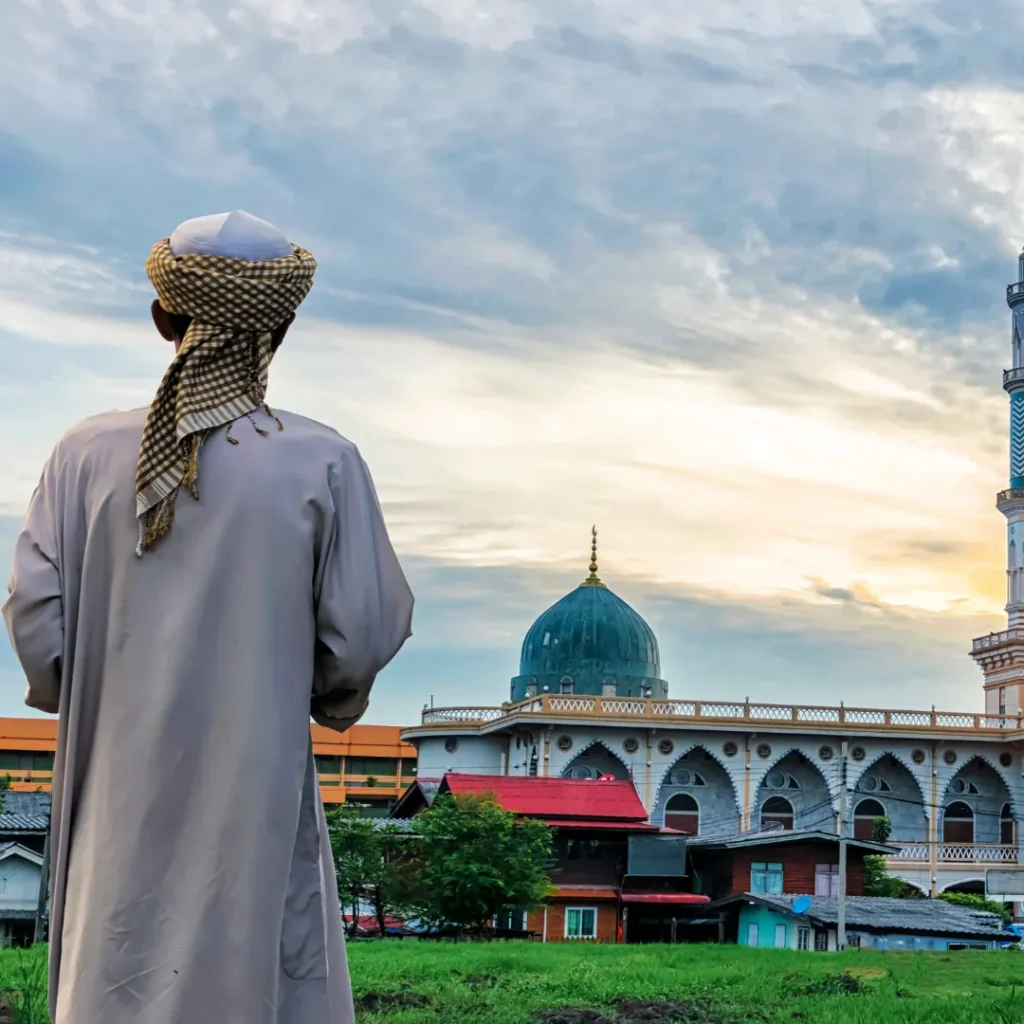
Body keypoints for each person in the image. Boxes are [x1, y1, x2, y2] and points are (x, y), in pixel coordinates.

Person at [2, 211, 414, 1024]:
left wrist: (87, 688)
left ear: (164, 315)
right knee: (257, 962)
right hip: (254, 782)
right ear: (284, 325)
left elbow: (36, 621)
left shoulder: (83, 455)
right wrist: (320, 694)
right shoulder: (322, 460)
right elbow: (361, 633)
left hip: (113, 779)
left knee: (111, 958)